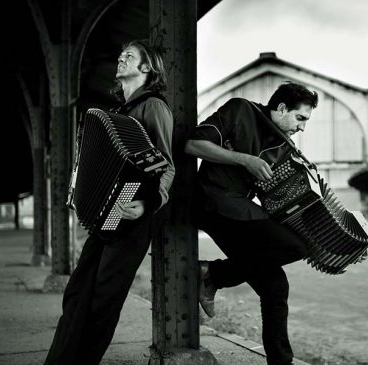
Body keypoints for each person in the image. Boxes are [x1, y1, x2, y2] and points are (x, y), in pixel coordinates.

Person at [44, 39, 175, 365]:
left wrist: (149, 203)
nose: (120, 59)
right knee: (77, 293)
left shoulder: (153, 107)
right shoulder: (118, 113)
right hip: (106, 217)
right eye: (120, 55)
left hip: (133, 217)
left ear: (147, 67)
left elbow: (166, 165)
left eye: (128, 56)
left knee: (103, 300)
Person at [185, 82, 318, 365]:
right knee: (296, 246)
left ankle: (280, 363)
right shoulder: (240, 109)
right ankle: (214, 274)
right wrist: (244, 160)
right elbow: (193, 144)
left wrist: (340, 240)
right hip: (211, 201)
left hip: (240, 211)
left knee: (275, 286)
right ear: (282, 108)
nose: (302, 128)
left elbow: (277, 198)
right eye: (300, 118)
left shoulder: (284, 146)